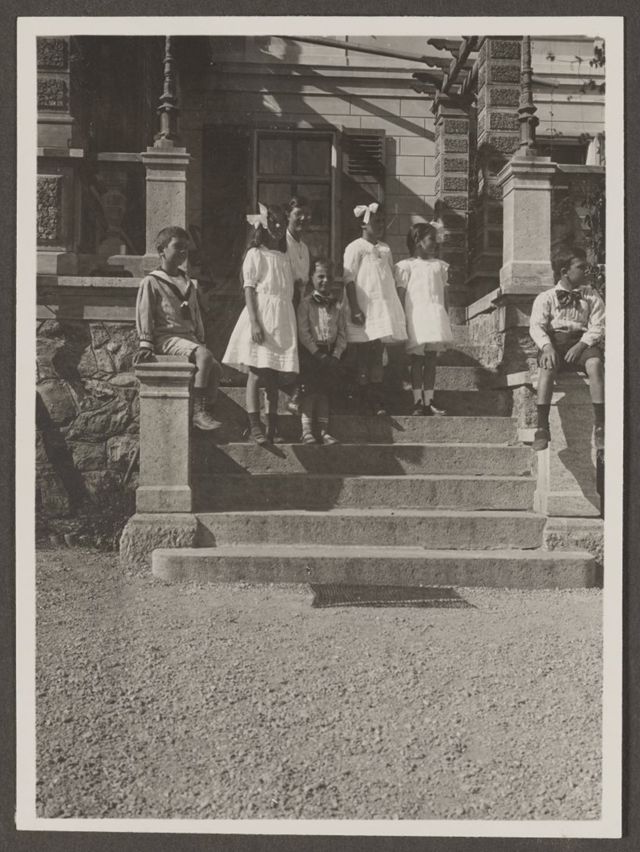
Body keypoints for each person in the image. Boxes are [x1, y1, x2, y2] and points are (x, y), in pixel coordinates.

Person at [222, 203, 299, 445]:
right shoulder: (256, 254)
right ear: (264, 227)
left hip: (281, 320)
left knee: (273, 376)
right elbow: (249, 289)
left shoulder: (284, 257)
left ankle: (272, 427)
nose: (278, 228)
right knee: (256, 373)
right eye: (273, 223)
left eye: (281, 224)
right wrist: (255, 322)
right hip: (262, 317)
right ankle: (255, 425)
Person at [134, 225, 222, 431]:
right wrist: (146, 343)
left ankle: (206, 410)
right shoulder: (152, 281)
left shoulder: (187, 282)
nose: (183, 252)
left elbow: (195, 313)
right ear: (161, 250)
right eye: (178, 247)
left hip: (188, 337)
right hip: (167, 337)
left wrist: (200, 338)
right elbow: (144, 311)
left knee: (215, 368)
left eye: (186, 248)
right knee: (204, 356)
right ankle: (198, 413)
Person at [529, 247, 605, 451]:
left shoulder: (591, 295)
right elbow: (536, 326)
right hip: (555, 343)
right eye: (581, 267)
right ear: (564, 272)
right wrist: (547, 347)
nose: (586, 271)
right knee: (546, 367)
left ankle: (600, 425)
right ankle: (542, 427)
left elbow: (599, 324)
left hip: (582, 342)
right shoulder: (546, 297)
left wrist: (581, 345)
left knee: (595, 364)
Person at [343, 202, 407, 415]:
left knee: (378, 352)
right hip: (364, 307)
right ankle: (362, 397)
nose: (380, 225)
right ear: (363, 224)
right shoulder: (355, 247)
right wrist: (355, 307)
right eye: (375, 221)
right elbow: (349, 279)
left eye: (382, 221)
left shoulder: (385, 249)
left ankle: (376, 397)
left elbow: (387, 278)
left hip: (381, 308)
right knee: (363, 353)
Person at [395, 221, 454, 415]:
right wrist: (401, 319)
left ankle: (429, 400)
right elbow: (401, 295)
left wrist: (445, 316)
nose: (435, 242)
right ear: (418, 241)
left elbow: (445, 295)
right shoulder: (406, 266)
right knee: (417, 359)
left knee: (431, 359)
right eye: (431, 239)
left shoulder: (439, 266)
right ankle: (417, 401)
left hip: (435, 316)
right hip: (416, 317)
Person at [297, 258, 348, 444]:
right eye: (320, 276)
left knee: (325, 392)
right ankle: (306, 431)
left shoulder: (337, 305)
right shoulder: (305, 304)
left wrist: (336, 354)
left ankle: (324, 431)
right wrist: (315, 352)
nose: (325, 280)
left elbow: (342, 333)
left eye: (329, 277)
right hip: (311, 353)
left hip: (330, 354)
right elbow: (303, 332)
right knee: (310, 392)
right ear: (312, 277)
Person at [286, 196, 311, 308]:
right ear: (288, 216)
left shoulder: (305, 249)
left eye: (307, 214)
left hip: (299, 306)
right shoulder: (281, 244)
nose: (303, 218)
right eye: (298, 214)